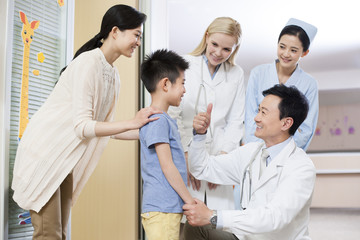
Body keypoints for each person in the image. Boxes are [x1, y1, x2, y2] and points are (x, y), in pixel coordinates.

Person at [11, 5, 159, 240]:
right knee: (49, 235)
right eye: (136, 35)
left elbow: (104, 129)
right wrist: (132, 122)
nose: (138, 42)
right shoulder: (88, 63)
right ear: (115, 31)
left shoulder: (113, 75)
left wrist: (147, 132)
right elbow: (83, 127)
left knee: (58, 233)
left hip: (63, 160)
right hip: (46, 155)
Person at [183, 84, 316, 240]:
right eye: (258, 110)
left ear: (286, 123)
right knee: (194, 227)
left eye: (264, 113)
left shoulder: (301, 167)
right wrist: (200, 135)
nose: (256, 118)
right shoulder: (251, 152)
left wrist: (214, 216)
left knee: (209, 222)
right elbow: (202, 168)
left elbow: (274, 218)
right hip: (246, 237)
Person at [168, 17, 245, 215]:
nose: (219, 53)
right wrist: (187, 156)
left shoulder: (236, 74)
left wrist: (220, 163)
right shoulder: (183, 64)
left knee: (218, 223)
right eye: (215, 44)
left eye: (227, 49)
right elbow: (174, 114)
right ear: (206, 37)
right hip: (185, 152)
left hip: (220, 154)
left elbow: (236, 121)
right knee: (186, 220)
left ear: (234, 49)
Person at [139, 49, 195, 240]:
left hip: (165, 208)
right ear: (165, 84)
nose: (184, 90)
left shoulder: (157, 119)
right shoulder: (159, 119)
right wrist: (189, 200)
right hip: (163, 209)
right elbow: (167, 165)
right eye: (182, 83)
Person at [245, 18, 318, 150]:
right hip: (255, 147)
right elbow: (250, 115)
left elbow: (306, 128)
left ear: (305, 52)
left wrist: (282, 152)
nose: (286, 54)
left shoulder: (309, 83)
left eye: (293, 50)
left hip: (288, 152)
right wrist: (255, 148)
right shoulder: (258, 73)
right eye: (282, 47)